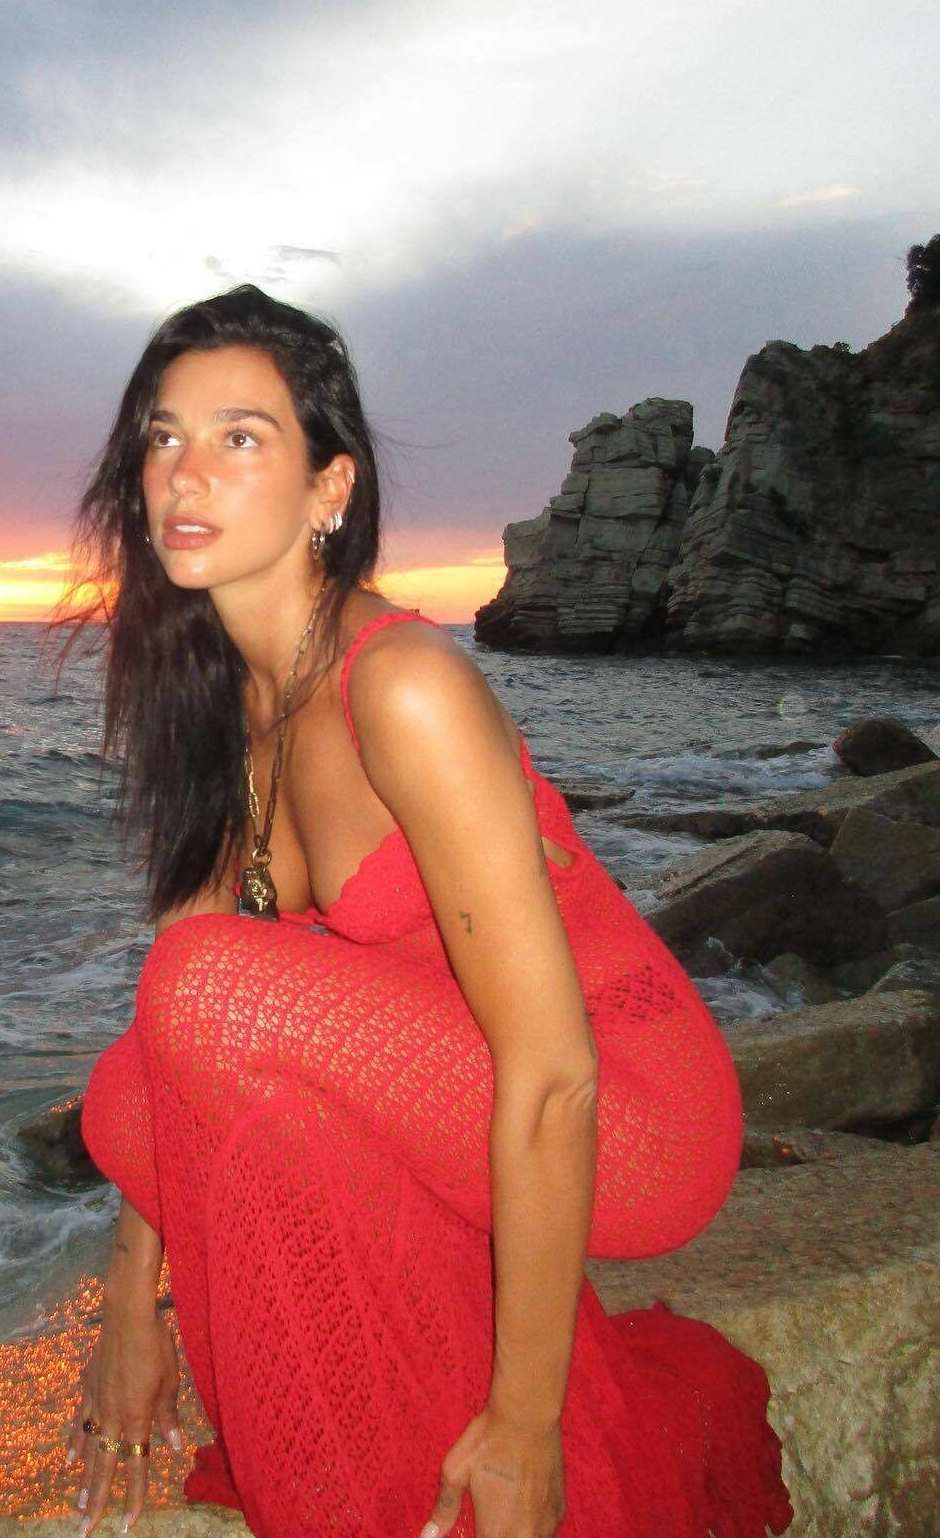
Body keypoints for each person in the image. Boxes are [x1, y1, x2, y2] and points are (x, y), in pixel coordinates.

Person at [45, 284, 795, 1538]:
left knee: (202, 991)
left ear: (329, 487)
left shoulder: (404, 687)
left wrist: (526, 1424)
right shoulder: (225, 703)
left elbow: (553, 1070)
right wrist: (131, 1313)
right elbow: (172, 1051)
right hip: (454, 1073)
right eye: (164, 436)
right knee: (134, 1077)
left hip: (623, 1104)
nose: (185, 472)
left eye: (240, 436)